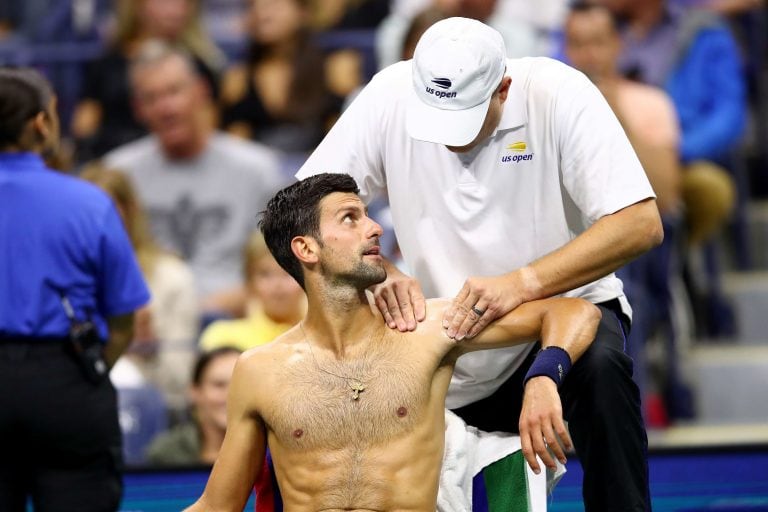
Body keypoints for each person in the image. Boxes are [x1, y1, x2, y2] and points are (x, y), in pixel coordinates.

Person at [296, 17, 663, 511]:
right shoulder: (389, 95)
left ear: (503, 88)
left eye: (463, 117)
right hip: (439, 328)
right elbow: (300, 210)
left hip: (561, 318)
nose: (449, 138)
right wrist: (376, 272)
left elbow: (640, 223)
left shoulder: (559, 94)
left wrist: (523, 283)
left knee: (602, 370)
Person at [185, 173, 602, 511]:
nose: (374, 227)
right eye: (350, 218)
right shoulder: (259, 370)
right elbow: (218, 504)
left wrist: (543, 379)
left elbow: (575, 312)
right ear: (306, 248)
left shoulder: (429, 328)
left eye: (367, 214)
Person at [0, 68, 150, 511]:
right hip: (64, 383)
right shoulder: (87, 203)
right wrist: (85, 372)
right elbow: (124, 320)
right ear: (41, 124)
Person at [104, 41, 285, 318]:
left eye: (174, 91)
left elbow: (281, 266)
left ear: (201, 92)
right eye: (151, 98)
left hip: (236, 324)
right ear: (138, 108)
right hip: (146, 325)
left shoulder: (258, 169)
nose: (166, 108)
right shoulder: (118, 174)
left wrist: (205, 311)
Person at [81, 163, 200, 414]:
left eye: (108, 210)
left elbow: (180, 383)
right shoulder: (65, 277)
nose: (96, 221)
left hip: (151, 408)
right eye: (85, 211)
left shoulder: (172, 277)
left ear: (131, 211)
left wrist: (146, 349)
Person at [72, 0, 225, 162]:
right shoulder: (107, 65)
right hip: (114, 165)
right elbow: (84, 126)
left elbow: (207, 128)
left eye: (183, 3)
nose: (176, 11)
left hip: (179, 160)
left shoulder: (199, 66)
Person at [219, 0, 347, 156]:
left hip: (321, 170)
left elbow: (344, 139)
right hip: (261, 172)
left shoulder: (334, 68)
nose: (262, 14)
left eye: (273, 5)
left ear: (303, 12)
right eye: (253, 7)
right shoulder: (238, 77)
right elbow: (235, 146)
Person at [199, 231, 305, 351]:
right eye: (265, 274)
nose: (277, 284)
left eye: (288, 272)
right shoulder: (223, 338)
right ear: (250, 282)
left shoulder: (324, 336)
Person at [146, 347, 241, 466]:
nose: (230, 396)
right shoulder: (166, 454)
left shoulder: (268, 451)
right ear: (195, 391)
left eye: (239, 384)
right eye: (219, 385)